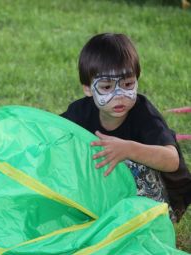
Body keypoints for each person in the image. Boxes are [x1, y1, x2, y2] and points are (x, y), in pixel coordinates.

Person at [61, 33, 191, 222]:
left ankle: (143, 223)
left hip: (164, 201)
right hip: (114, 192)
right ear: (88, 89)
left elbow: (172, 160)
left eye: (127, 84)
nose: (119, 95)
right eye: (106, 87)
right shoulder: (80, 111)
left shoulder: (144, 114)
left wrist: (128, 149)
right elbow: (54, 135)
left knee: (131, 163)